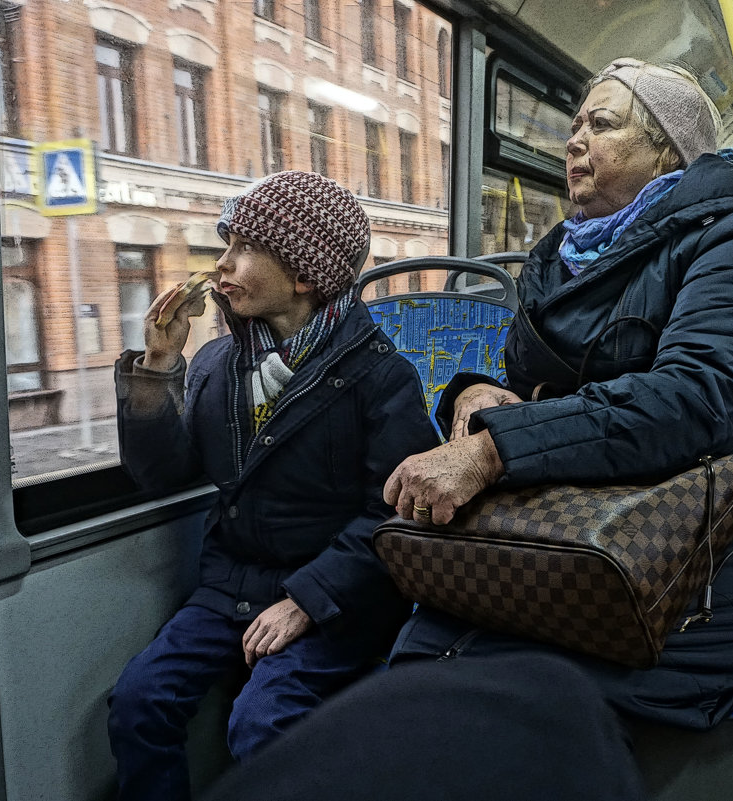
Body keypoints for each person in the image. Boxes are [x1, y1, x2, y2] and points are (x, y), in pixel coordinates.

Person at [201, 56, 733, 799]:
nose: (575, 139)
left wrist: (495, 449)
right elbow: (530, 385)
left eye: (603, 123)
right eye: (574, 123)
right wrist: (479, 394)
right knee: (419, 666)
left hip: (700, 554)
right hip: (561, 530)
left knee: (504, 708)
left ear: (668, 152)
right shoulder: (558, 256)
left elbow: (693, 397)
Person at [107, 171, 439, 801]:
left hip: (332, 594)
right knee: (138, 702)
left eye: (243, 248)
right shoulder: (216, 363)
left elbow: (394, 514)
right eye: (224, 245)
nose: (221, 264)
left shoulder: (380, 378)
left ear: (303, 276)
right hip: (229, 584)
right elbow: (163, 474)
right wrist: (158, 368)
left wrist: (307, 601)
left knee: (262, 725)